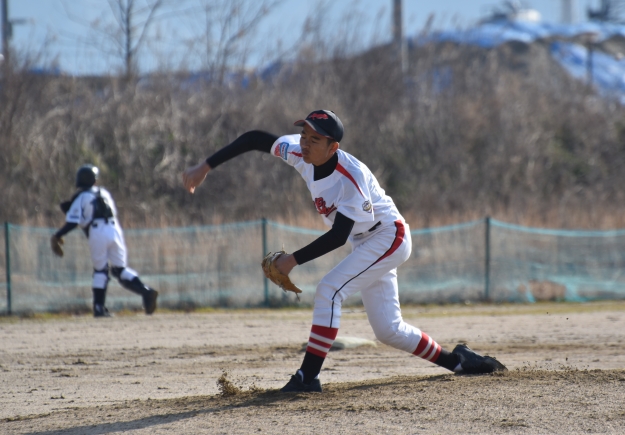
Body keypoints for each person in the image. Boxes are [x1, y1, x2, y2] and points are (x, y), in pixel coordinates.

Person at [182, 110, 506, 392]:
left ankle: (307, 378)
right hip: (366, 241)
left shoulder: (350, 177)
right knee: (388, 330)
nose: (305, 143)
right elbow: (255, 138)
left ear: (333, 147)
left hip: (388, 236)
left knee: (329, 290)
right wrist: (205, 166)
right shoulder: (299, 153)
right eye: (304, 135)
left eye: (315, 139)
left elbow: (338, 236)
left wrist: (292, 260)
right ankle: (459, 361)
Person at [51, 164, 159, 317]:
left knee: (100, 270)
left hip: (98, 231)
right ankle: (146, 291)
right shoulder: (105, 193)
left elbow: (73, 222)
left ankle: (99, 308)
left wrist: (58, 234)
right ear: (94, 180)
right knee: (120, 269)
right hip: (115, 230)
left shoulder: (81, 197)